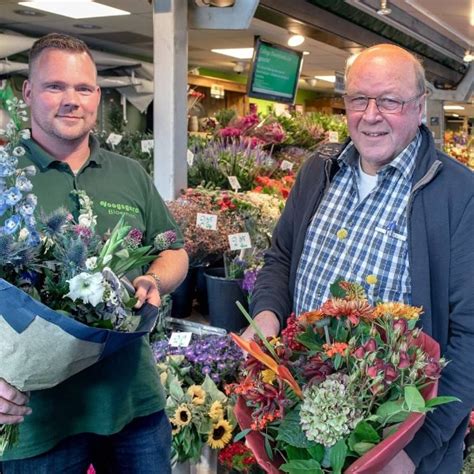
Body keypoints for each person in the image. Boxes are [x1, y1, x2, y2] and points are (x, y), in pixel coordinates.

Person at [243, 44, 474, 473]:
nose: (370, 115)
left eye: (389, 101)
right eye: (358, 99)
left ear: (420, 107)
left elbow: (470, 338)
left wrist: (412, 451)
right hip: (300, 427)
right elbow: (281, 256)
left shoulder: (459, 195)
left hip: (393, 441)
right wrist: (267, 316)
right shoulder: (320, 170)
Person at [0, 33, 189, 473]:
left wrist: (154, 280)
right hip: (38, 422)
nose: (71, 100)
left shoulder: (129, 174)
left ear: (97, 97)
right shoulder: (7, 177)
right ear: (28, 93)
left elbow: (174, 250)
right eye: (54, 87)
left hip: (133, 406)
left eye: (83, 88)